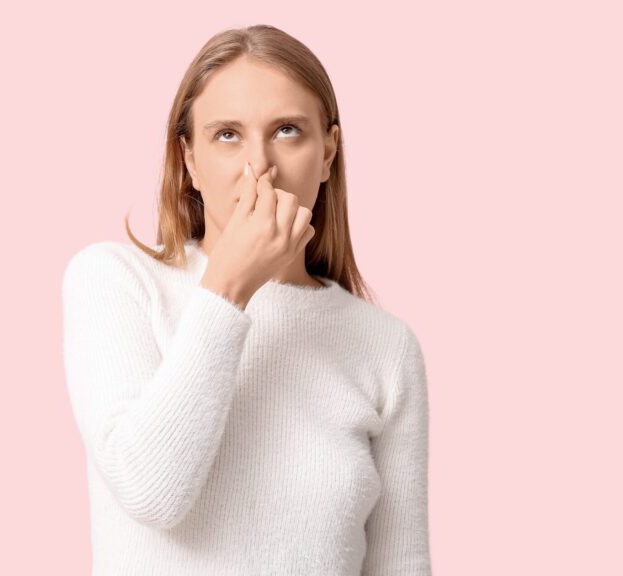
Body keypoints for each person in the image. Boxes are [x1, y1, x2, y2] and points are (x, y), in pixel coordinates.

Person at [62, 24, 431, 576]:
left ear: (328, 153)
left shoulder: (385, 346)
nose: (259, 166)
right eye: (227, 135)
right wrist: (229, 287)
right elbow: (149, 492)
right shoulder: (117, 283)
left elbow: (402, 563)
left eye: (287, 130)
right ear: (189, 159)